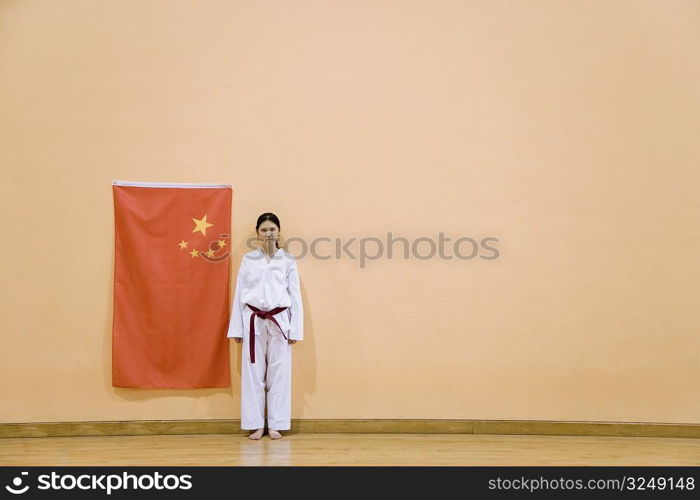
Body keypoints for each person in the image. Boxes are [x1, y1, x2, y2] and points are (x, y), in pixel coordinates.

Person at [227, 212, 303, 440]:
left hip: (280, 321)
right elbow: (240, 292)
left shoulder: (288, 260)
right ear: (257, 233)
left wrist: (295, 328)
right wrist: (237, 328)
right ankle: (255, 424)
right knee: (253, 374)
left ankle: (277, 424)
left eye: (272, 229)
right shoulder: (249, 260)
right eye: (264, 230)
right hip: (253, 320)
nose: (269, 233)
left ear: (279, 231)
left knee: (279, 373)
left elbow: (295, 295)